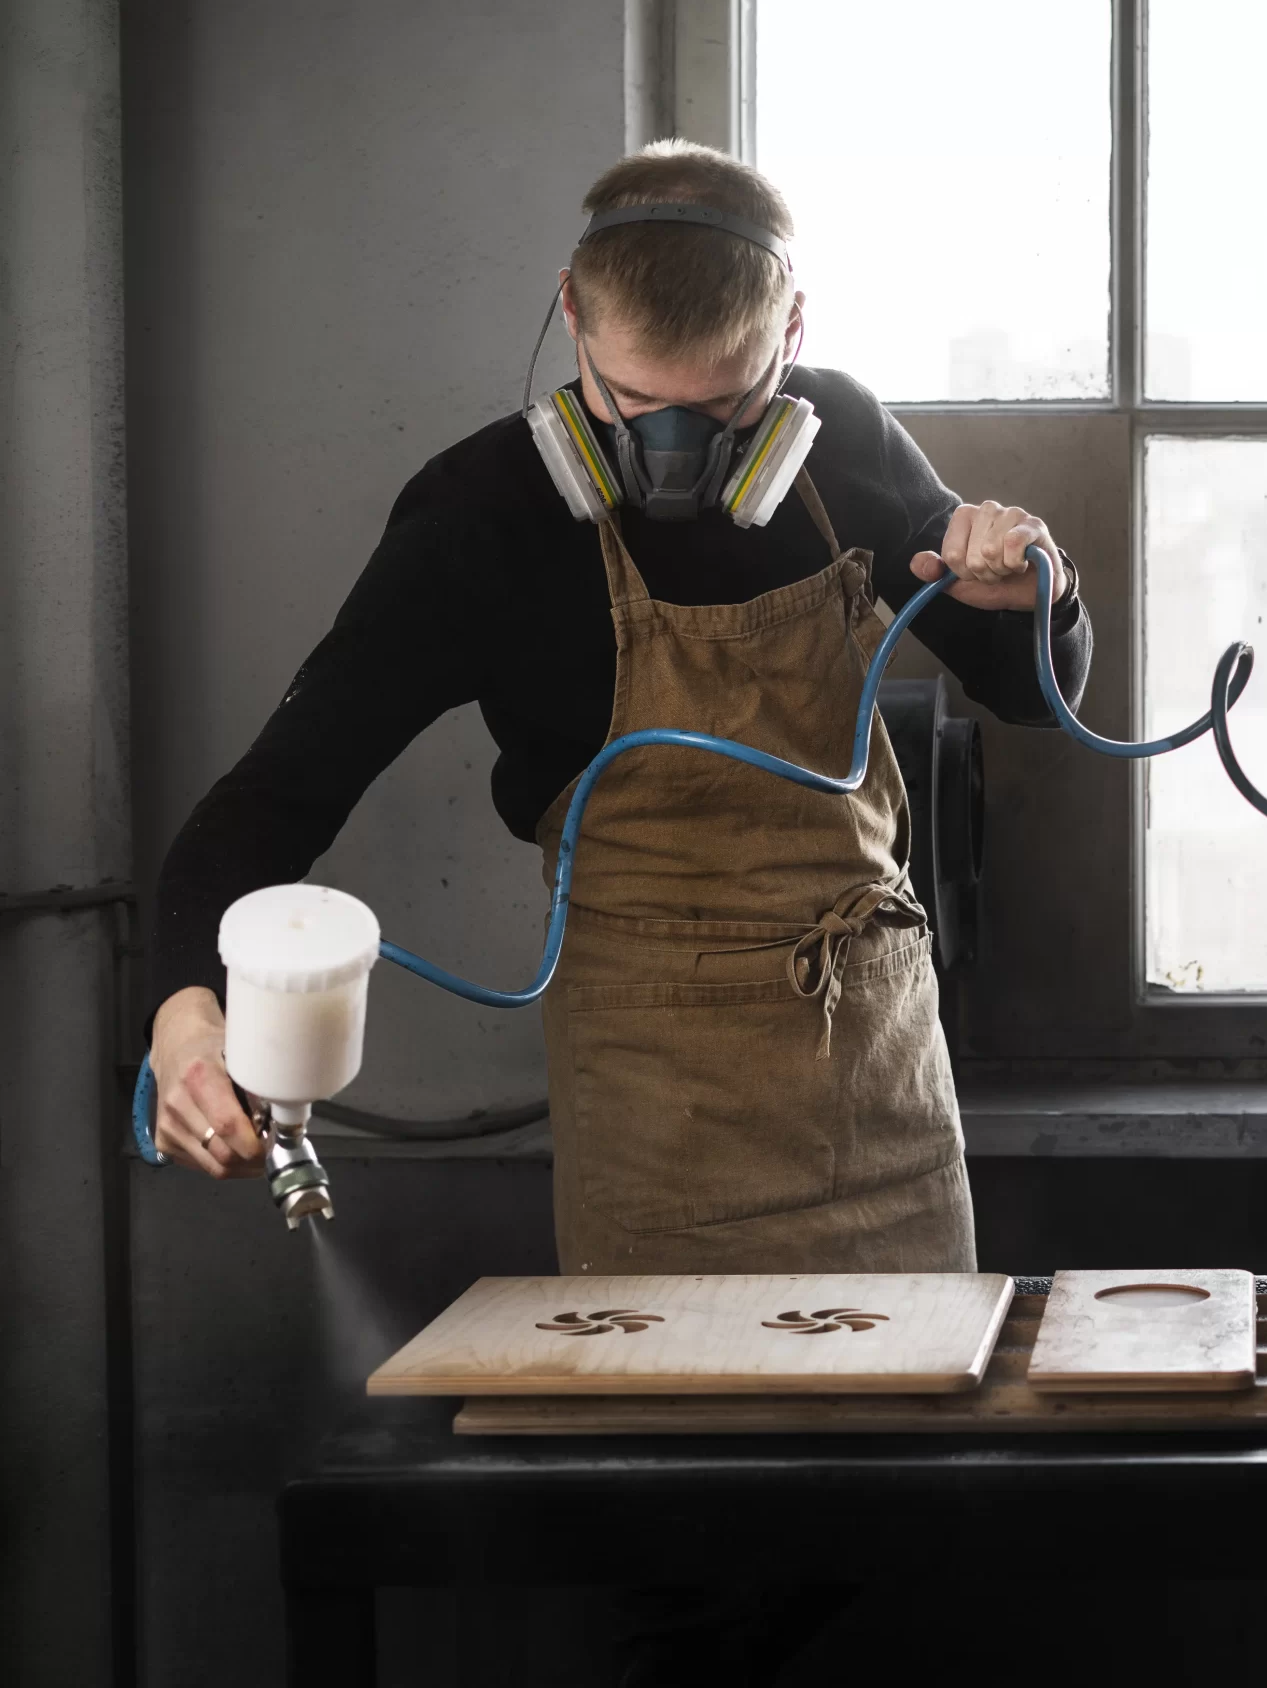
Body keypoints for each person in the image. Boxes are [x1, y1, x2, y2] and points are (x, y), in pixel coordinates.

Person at [145, 140, 1090, 1276]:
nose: (674, 454)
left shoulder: (841, 447)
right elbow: (272, 799)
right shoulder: (481, 517)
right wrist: (182, 1013)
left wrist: (1037, 592)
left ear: (792, 331)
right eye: (632, 401)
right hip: (657, 1091)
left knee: (907, 1425)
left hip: (875, 1073)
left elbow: (1038, 696)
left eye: (727, 405)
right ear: (571, 314)